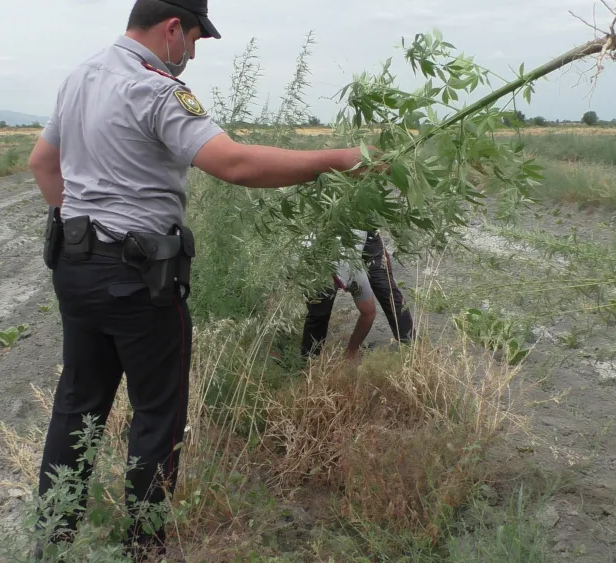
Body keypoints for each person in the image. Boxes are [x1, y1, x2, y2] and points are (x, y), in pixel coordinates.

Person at [26, 0, 375, 558]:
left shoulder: (79, 77)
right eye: (193, 40)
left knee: (77, 405)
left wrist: (86, 233)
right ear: (172, 29)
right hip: (139, 281)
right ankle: (144, 548)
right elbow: (234, 164)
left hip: (75, 269)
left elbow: (43, 164)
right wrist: (337, 159)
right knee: (157, 414)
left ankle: (53, 540)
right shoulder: (156, 89)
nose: (191, 52)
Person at [300, 230, 378, 360]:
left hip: (349, 260)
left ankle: (351, 352)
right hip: (317, 261)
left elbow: (369, 313)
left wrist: (351, 351)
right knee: (318, 316)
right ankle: (309, 361)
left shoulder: (353, 271)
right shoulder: (311, 264)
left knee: (369, 311)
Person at [361, 229, 414, 345]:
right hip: (333, 237)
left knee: (385, 288)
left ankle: (409, 342)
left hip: (368, 235)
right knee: (326, 290)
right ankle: (318, 347)